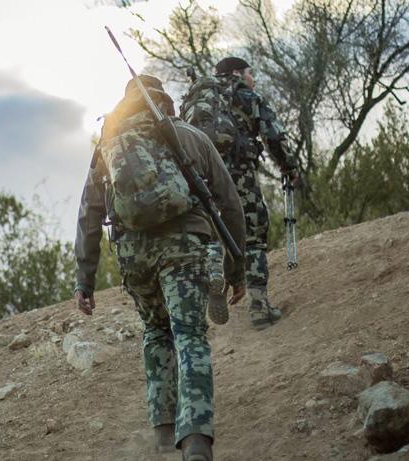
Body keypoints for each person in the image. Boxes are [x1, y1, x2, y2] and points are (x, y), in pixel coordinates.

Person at [73, 75, 246, 460]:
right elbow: (230, 202)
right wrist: (238, 267)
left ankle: (164, 432)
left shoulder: (109, 145)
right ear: (164, 99)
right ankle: (197, 439)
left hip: (136, 256)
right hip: (186, 247)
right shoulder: (188, 136)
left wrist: (84, 279)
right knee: (189, 335)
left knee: (156, 331)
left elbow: (89, 214)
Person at [181, 56, 298, 331]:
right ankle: (259, 306)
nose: (252, 78)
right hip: (239, 173)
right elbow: (272, 134)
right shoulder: (245, 94)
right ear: (236, 73)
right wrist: (288, 166)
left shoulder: (199, 96)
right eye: (249, 72)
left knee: (211, 230)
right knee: (253, 233)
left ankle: (213, 273)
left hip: (202, 175)